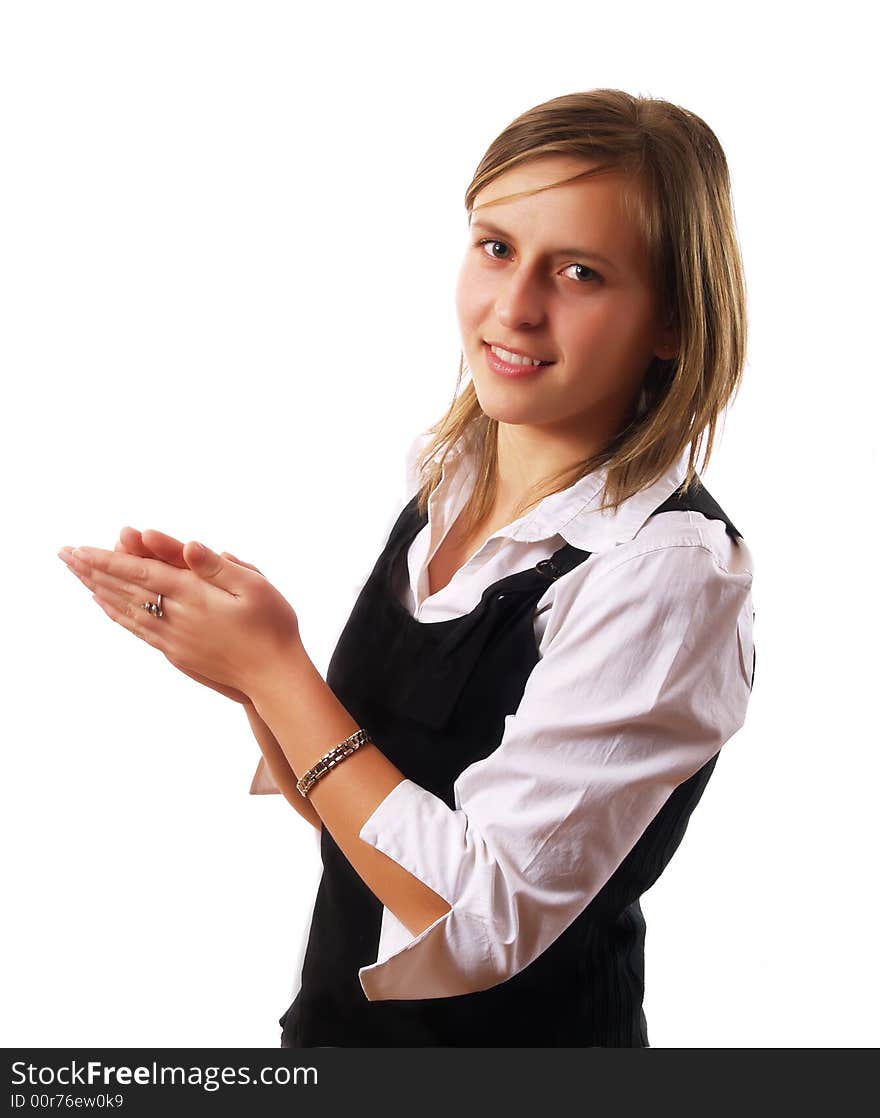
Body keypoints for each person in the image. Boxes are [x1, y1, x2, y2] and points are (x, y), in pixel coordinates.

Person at [57, 88, 756, 1047]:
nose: (514, 307)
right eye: (497, 247)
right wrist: (245, 663)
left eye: (581, 273)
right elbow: (362, 826)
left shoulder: (665, 572)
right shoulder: (453, 483)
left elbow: (479, 922)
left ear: (673, 319)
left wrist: (275, 670)